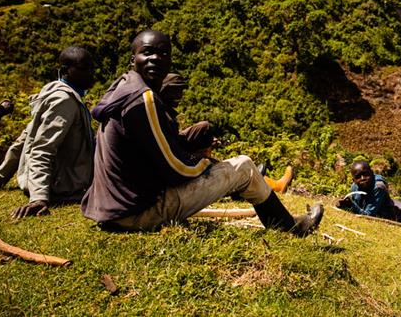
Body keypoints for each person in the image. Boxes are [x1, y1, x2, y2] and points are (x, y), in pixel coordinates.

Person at [81, 29, 323, 235]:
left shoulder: (122, 87)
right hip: (135, 214)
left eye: (163, 53)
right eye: (147, 52)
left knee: (229, 168)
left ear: (170, 61)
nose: (155, 58)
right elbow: (175, 168)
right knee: (244, 167)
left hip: (110, 210)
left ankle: (254, 197)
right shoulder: (144, 99)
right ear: (132, 59)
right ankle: (291, 228)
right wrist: (208, 164)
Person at [0, 46, 97, 219]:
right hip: (61, 185)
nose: (91, 73)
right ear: (65, 71)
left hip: (50, 182)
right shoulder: (64, 100)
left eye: (92, 68)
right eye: (84, 69)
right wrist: (39, 198)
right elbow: (43, 149)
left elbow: (26, 138)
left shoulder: (54, 93)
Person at [160, 73, 295, 194]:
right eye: (175, 91)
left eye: (180, 91)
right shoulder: (160, 113)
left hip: (177, 152)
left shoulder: (166, 111)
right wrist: (198, 158)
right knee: (217, 166)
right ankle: (273, 185)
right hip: (174, 164)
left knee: (204, 127)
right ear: (165, 91)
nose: (180, 96)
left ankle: (265, 182)